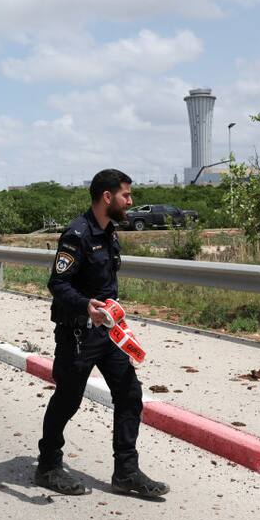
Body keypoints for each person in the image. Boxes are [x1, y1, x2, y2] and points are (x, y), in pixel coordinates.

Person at [34, 169, 170, 499]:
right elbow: (57, 283)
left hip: (109, 334)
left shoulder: (110, 232)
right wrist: (86, 306)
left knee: (129, 394)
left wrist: (112, 314)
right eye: (126, 195)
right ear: (107, 197)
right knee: (67, 399)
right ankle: (48, 466)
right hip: (78, 334)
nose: (131, 201)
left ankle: (126, 471)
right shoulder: (77, 234)